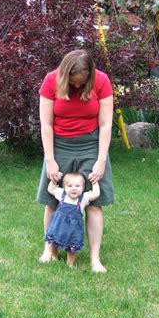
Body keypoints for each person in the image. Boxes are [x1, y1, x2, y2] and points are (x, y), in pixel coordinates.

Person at [37, 49, 114, 273]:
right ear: (65, 74)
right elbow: (46, 125)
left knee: (95, 205)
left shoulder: (101, 81)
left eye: (82, 82)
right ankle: (49, 251)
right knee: (51, 201)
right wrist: (50, 159)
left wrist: (100, 161)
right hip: (59, 145)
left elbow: (106, 124)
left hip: (91, 145)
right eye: (73, 82)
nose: (78, 87)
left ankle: (95, 259)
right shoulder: (51, 80)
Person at [45, 172, 100, 267]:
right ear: (64, 187)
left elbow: (96, 194)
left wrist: (95, 183)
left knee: (72, 245)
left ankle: (70, 263)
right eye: (69, 186)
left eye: (77, 186)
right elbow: (50, 189)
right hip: (59, 224)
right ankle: (54, 256)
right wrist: (54, 181)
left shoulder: (84, 198)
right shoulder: (61, 194)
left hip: (74, 228)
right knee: (54, 240)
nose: (73, 188)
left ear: (83, 188)